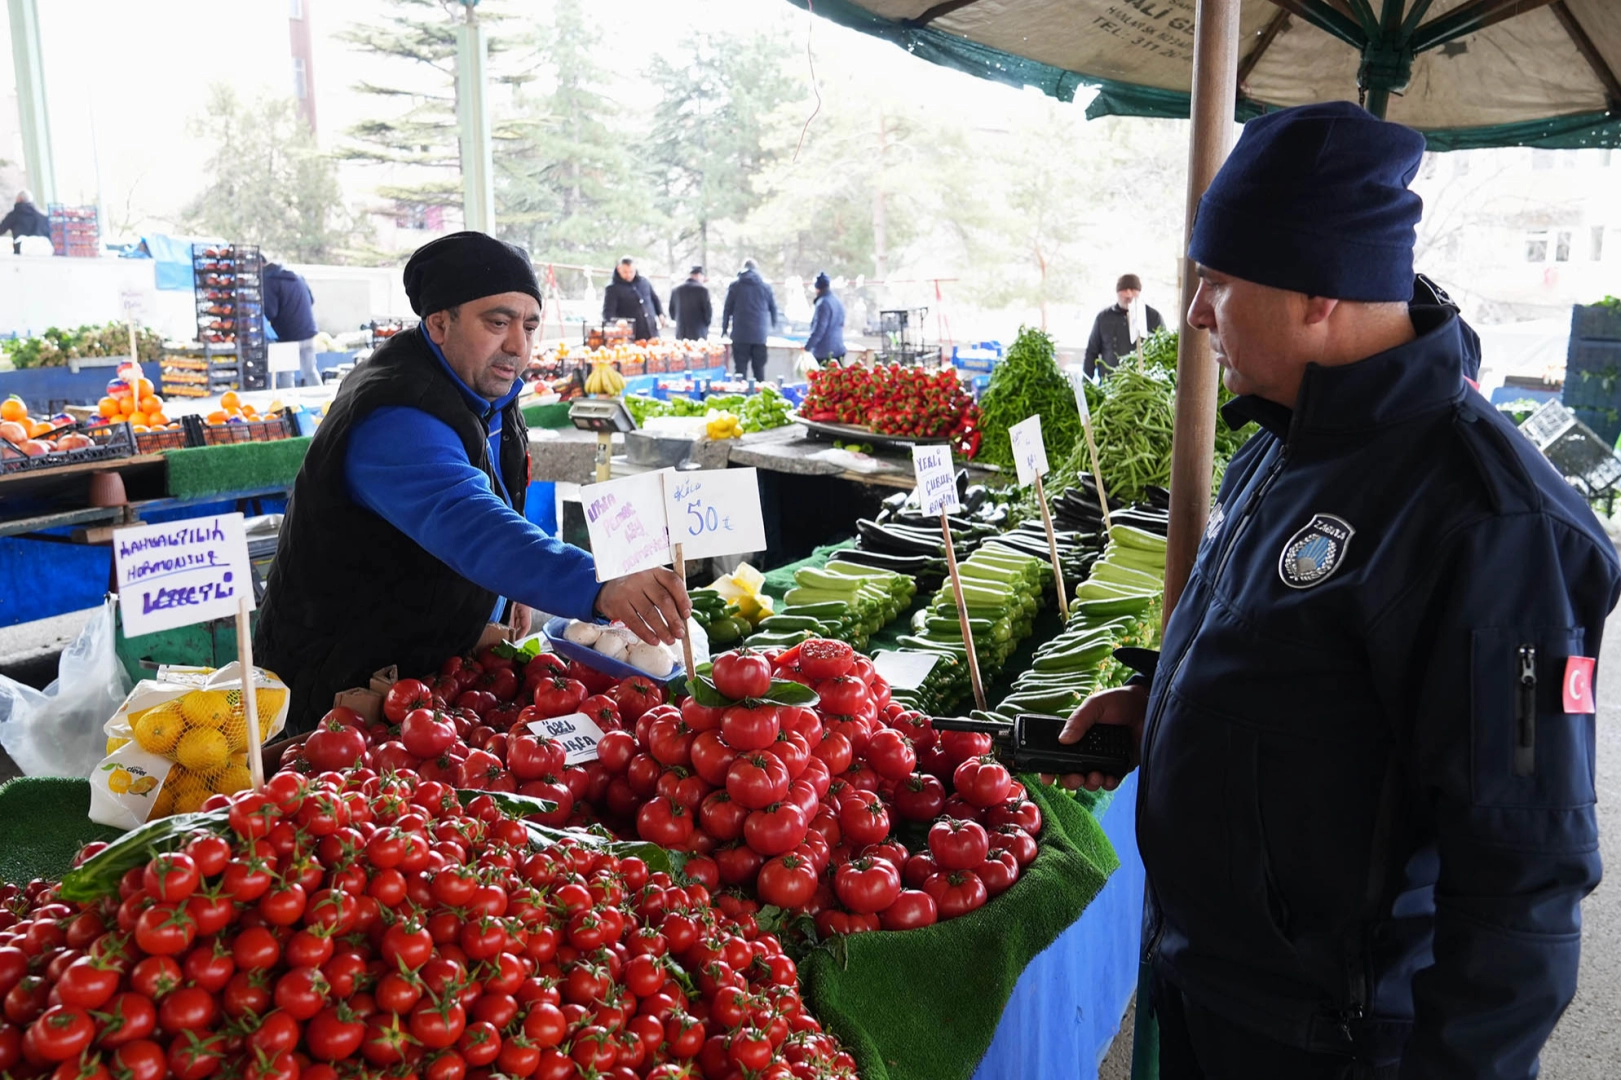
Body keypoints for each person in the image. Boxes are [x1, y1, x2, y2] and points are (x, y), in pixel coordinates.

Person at [1054, 102, 1620, 1079]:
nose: (1194, 316)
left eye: (1218, 284)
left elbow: (1522, 879)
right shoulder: (1287, 442)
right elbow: (1305, 671)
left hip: (1333, 1038)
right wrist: (1170, 705)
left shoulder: (1494, 526)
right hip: (1214, 980)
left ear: (1320, 293)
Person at [256, 232, 691, 731]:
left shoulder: (478, 387)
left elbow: (495, 490)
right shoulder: (396, 413)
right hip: (338, 685)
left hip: (416, 675)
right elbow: (468, 520)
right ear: (439, 322)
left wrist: (510, 591)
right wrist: (598, 582)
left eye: (529, 325)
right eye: (497, 322)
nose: (518, 345)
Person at [1084, 273, 1163, 378]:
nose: (1128, 295)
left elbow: (1162, 350)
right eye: (1124, 290)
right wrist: (1086, 382)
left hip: (1144, 384)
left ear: (1139, 292)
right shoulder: (1103, 318)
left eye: (1133, 290)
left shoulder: (1153, 317)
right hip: (1109, 383)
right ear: (1117, 292)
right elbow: (1091, 352)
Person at [263, 260, 320, 388]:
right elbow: (311, 300)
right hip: (308, 331)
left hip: (286, 335)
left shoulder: (269, 280)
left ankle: (289, 406)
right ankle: (325, 404)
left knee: (286, 375)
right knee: (310, 372)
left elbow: (270, 311)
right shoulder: (297, 276)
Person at [723, 258, 779, 381]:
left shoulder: (735, 286)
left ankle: (742, 398)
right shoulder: (765, 287)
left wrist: (724, 329)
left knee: (740, 371)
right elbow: (774, 309)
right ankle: (760, 398)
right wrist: (774, 327)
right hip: (759, 336)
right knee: (759, 371)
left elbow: (727, 309)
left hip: (740, 336)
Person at [602, 256, 664, 341]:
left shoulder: (644, 282)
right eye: (625, 272)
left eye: (631, 272)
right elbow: (608, 313)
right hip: (631, 336)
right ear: (619, 269)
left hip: (652, 332)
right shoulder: (612, 289)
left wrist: (660, 314)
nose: (628, 275)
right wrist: (617, 324)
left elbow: (655, 299)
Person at [803, 272, 846, 363]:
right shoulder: (836, 301)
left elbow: (819, 330)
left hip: (825, 353)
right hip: (839, 349)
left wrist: (807, 347)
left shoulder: (823, 304)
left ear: (817, 288)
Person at [669, 265, 713, 341]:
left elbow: (671, 312)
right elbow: (708, 312)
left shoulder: (676, 290)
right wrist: (706, 324)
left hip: (681, 332)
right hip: (699, 333)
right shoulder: (702, 290)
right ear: (699, 275)